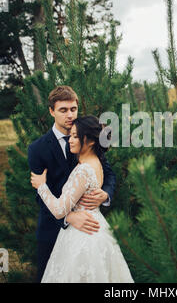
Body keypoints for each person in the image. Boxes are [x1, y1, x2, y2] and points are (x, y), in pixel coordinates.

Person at [27, 86, 117, 283]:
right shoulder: (37, 149)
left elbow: (108, 173)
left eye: (73, 109)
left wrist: (106, 194)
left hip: (90, 231)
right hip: (52, 230)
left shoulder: (87, 139)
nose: (70, 115)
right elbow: (38, 194)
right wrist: (68, 217)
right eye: (63, 110)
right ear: (51, 111)